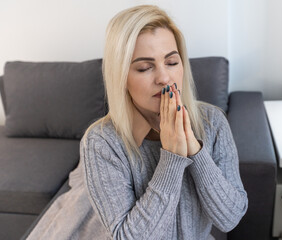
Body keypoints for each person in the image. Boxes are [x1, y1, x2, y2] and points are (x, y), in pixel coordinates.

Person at [27, 5, 248, 240]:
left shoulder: (213, 122)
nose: (164, 78)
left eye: (172, 62)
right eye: (145, 67)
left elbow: (229, 219)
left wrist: (194, 148)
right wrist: (172, 159)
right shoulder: (101, 142)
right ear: (121, 76)